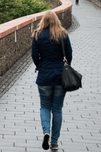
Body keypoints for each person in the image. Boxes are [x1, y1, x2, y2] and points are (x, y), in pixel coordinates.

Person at [31, 10, 72, 151]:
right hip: (60, 76)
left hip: (44, 76)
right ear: (56, 20)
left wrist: (40, 66)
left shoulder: (37, 35)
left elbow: (34, 55)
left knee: (45, 106)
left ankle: (46, 132)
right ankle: (54, 142)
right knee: (57, 109)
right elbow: (69, 54)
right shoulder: (63, 34)